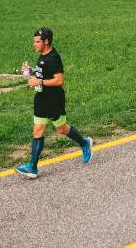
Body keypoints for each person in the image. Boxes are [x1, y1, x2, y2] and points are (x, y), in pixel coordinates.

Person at [16, 27, 93, 179]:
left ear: (46, 41)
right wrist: (30, 71)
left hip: (54, 100)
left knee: (62, 129)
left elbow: (59, 80)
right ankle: (32, 167)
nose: (34, 44)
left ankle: (84, 143)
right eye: (34, 42)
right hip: (41, 99)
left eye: (37, 42)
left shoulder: (53, 57)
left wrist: (39, 81)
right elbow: (42, 73)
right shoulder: (42, 56)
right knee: (38, 131)